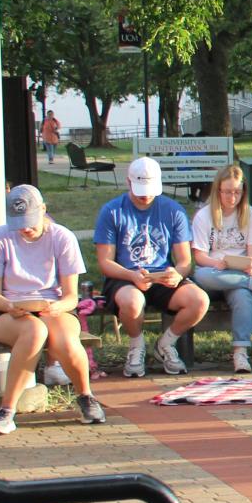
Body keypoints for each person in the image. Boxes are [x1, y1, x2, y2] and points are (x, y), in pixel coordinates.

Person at [0, 186, 107, 435]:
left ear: (43, 210)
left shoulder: (62, 237)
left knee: (65, 336)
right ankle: (7, 410)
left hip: (53, 306)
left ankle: (85, 397)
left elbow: (71, 296)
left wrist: (57, 306)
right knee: (35, 331)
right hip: (8, 311)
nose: (25, 228)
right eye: (19, 223)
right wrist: (10, 305)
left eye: (30, 222)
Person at [95, 156, 209, 377]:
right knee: (133, 301)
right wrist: (131, 275)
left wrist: (176, 273)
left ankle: (166, 344)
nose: (145, 195)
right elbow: (105, 262)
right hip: (125, 275)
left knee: (199, 300)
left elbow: (185, 261)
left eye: (150, 189)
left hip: (161, 274)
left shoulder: (173, 210)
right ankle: (136, 346)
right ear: (128, 183)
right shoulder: (112, 211)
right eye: (139, 189)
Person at [190, 165, 252, 373]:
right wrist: (216, 263)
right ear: (218, 190)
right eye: (227, 192)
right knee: (201, 274)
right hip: (213, 273)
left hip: (239, 273)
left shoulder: (250, 214)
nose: (232, 197)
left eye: (237, 192)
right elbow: (199, 256)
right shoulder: (203, 216)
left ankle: (240, 353)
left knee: (243, 296)